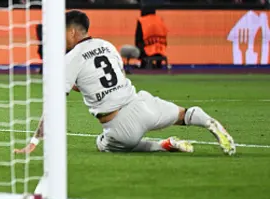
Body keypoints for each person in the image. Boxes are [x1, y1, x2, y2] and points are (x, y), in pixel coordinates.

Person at [15, 10, 235, 155]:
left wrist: (34, 142)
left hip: (120, 126)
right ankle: (210, 123)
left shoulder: (70, 59)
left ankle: (161, 146)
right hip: (142, 103)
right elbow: (114, 75)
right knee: (183, 114)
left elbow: (54, 106)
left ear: (72, 32)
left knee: (102, 144)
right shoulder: (108, 45)